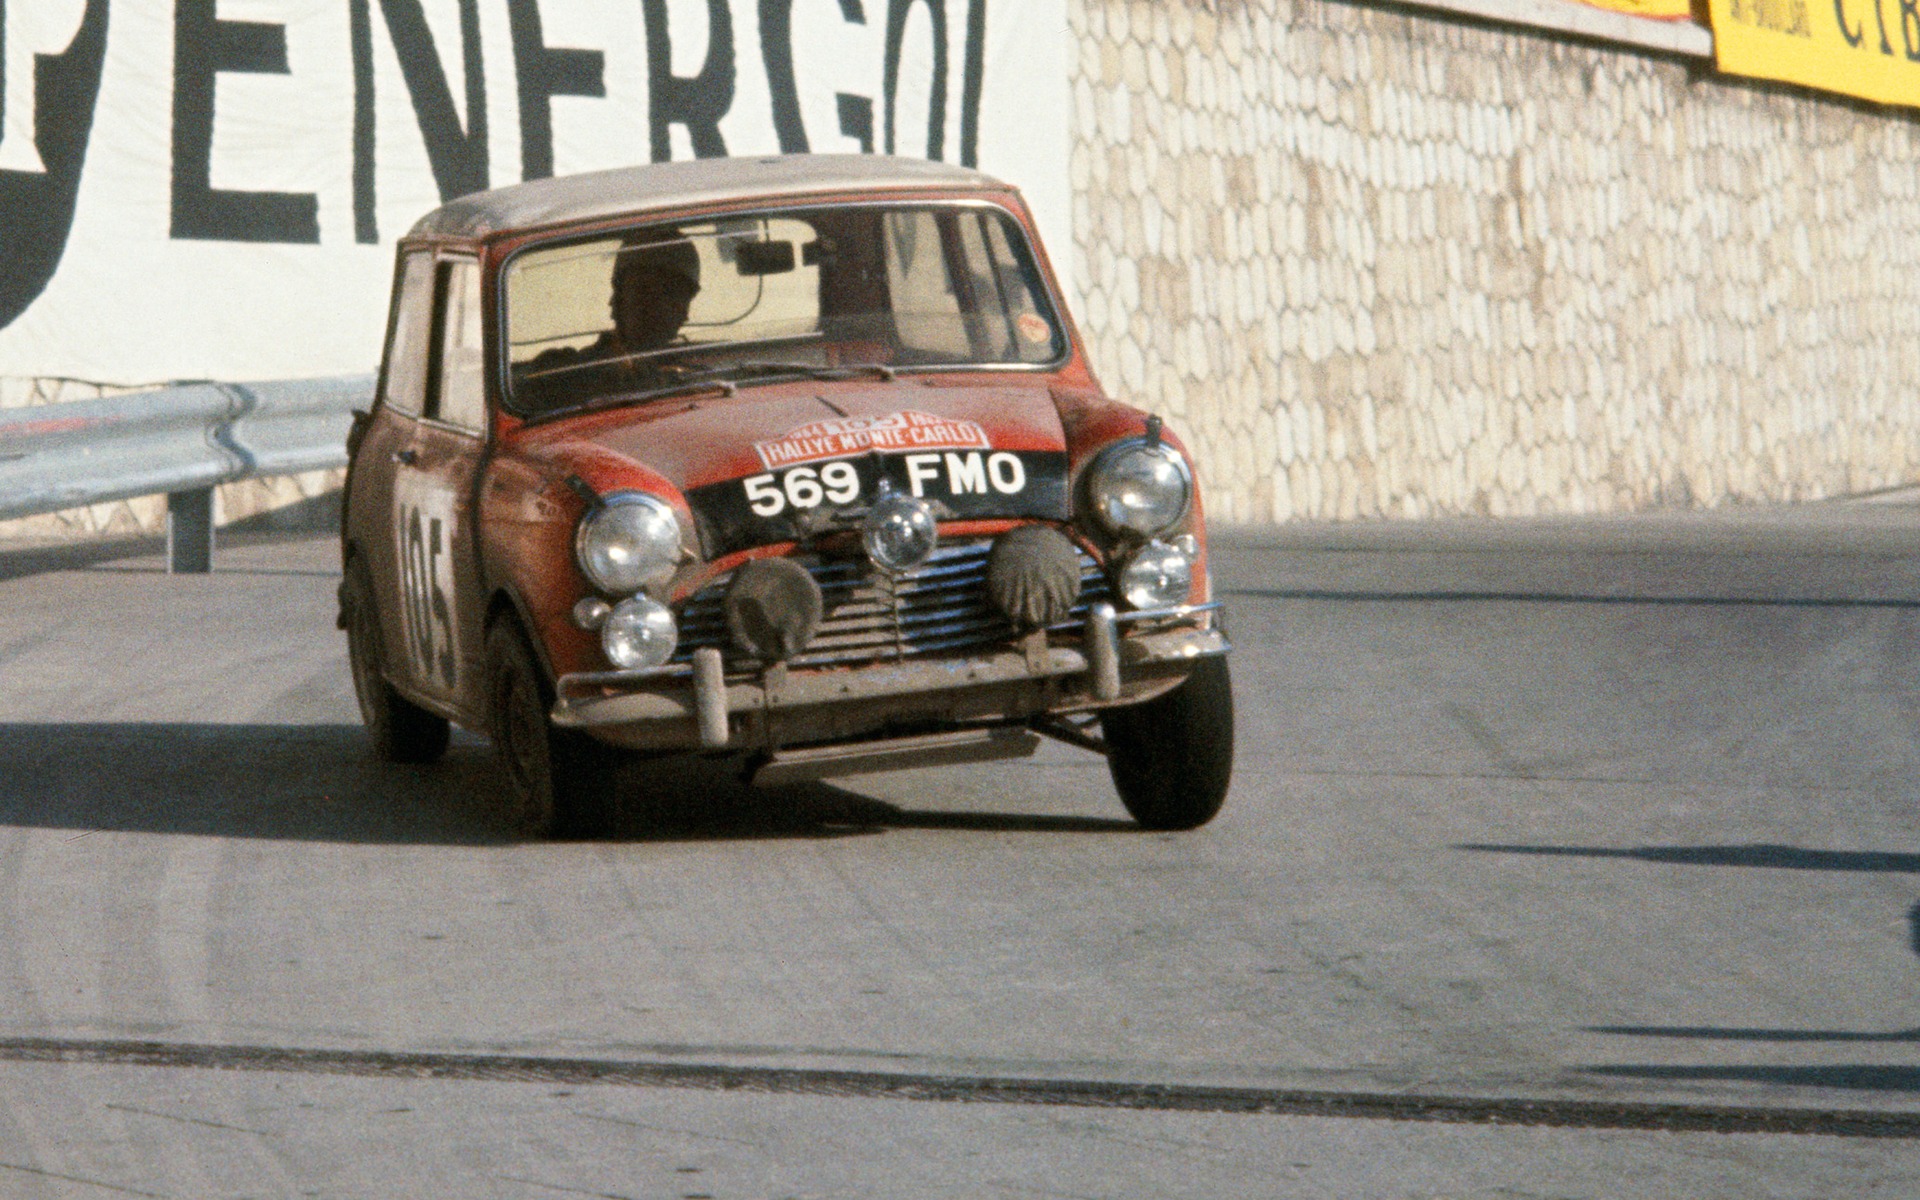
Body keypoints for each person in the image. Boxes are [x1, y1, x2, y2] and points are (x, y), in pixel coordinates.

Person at [515, 231, 702, 410]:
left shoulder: (700, 371)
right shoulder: (571, 373)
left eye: (678, 296)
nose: (664, 309)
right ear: (617, 301)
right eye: (645, 294)